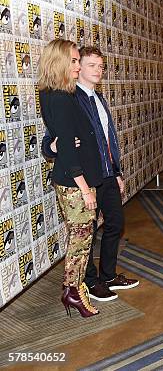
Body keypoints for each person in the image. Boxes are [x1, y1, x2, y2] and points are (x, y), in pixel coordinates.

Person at [42, 46, 139, 302]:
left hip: (106, 174)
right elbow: (52, 139)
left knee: (114, 225)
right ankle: (90, 281)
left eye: (101, 66)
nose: (98, 70)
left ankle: (108, 276)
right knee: (86, 232)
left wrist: (116, 171)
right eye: (91, 65)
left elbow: (108, 140)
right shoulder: (69, 98)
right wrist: (52, 147)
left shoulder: (98, 98)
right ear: (78, 68)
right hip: (85, 177)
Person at [38, 39, 102, 318]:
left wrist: (52, 145)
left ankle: (73, 288)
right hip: (73, 181)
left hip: (70, 178)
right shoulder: (62, 98)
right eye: (74, 61)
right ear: (59, 62)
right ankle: (73, 291)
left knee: (82, 235)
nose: (77, 67)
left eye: (78, 61)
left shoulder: (56, 93)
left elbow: (58, 140)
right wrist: (86, 189)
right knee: (81, 238)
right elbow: (65, 146)